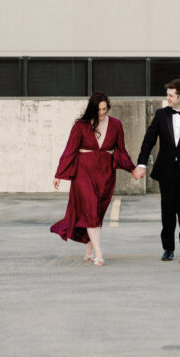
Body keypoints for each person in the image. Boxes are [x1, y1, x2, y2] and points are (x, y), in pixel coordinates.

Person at [132, 79, 180, 263]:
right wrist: (141, 163)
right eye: (167, 94)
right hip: (166, 170)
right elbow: (148, 140)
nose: (167, 98)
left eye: (170, 95)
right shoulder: (161, 115)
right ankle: (168, 248)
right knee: (167, 211)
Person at [51, 92, 135, 265]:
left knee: (96, 213)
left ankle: (88, 251)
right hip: (83, 173)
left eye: (104, 109)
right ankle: (98, 253)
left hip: (105, 174)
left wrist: (132, 168)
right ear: (92, 109)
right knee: (90, 209)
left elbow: (121, 150)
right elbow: (70, 150)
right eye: (98, 110)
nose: (102, 113)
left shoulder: (116, 125)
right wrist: (59, 174)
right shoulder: (80, 125)